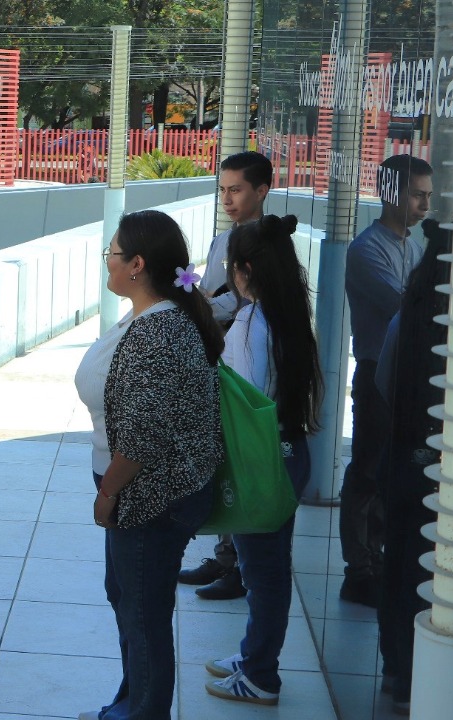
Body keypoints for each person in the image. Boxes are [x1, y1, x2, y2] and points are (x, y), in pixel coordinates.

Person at [74, 210, 224, 720]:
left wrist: (108, 491)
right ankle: (131, 702)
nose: (107, 263)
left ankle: (144, 712)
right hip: (147, 492)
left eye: (111, 254)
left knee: (143, 614)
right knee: (128, 598)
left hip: (149, 497)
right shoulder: (151, 315)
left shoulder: (158, 333)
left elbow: (140, 437)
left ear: (137, 264)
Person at [202, 215, 323, 707]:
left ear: (244, 268)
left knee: (265, 571)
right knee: (268, 566)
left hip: (263, 459)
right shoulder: (286, 314)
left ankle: (260, 675)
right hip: (290, 452)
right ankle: (255, 655)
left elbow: (245, 400)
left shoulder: (252, 323)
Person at [179, 151, 272, 602]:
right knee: (221, 459)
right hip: (218, 354)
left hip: (243, 361)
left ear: (262, 191)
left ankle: (238, 566)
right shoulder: (222, 242)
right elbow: (214, 295)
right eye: (223, 190)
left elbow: (237, 304)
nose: (228, 199)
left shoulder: (268, 243)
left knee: (239, 459)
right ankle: (223, 555)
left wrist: (200, 306)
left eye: (237, 190)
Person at [340, 154, 431, 608]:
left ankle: (376, 561)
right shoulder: (366, 250)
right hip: (377, 376)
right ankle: (359, 569)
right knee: (367, 473)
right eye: (418, 195)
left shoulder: (416, 247)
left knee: (391, 473)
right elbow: (407, 306)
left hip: (407, 379)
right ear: (392, 194)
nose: (424, 206)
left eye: (429, 196)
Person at [373, 219, 448, 714]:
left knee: (399, 562)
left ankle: (399, 672)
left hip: (401, 459)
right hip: (436, 471)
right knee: (432, 570)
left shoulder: (411, 308)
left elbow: (382, 378)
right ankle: (424, 680)